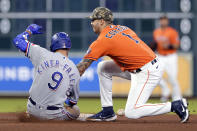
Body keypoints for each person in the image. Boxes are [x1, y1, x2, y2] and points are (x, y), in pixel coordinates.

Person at [77, 7, 189, 123]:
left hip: (148, 71)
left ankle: (176, 105)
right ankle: (107, 111)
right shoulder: (123, 28)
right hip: (143, 65)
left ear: (101, 21)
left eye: (93, 20)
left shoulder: (103, 40)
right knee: (103, 67)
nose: (91, 23)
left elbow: (81, 68)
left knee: (132, 112)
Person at [13, 24, 80, 120]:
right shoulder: (74, 69)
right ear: (69, 47)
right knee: (75, 110)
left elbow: (18, 41)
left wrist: (29, 31)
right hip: (53, 115)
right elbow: (72, 102)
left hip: (32, 110)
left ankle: (32, 115)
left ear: (52, 45)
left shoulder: (41, 53)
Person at [153, 15, 182, 102]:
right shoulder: (156, 32)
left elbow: (177, 45)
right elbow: (156, 45)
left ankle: (177, 98)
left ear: (167, 21)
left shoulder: (172, 32)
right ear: (160, 22)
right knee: (156, 76)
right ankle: (166, 90)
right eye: (161, 20)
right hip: (160, 56)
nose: (163, 22)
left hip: (171, 57)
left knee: (173, 78)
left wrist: (169, 46)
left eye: (164, 20)